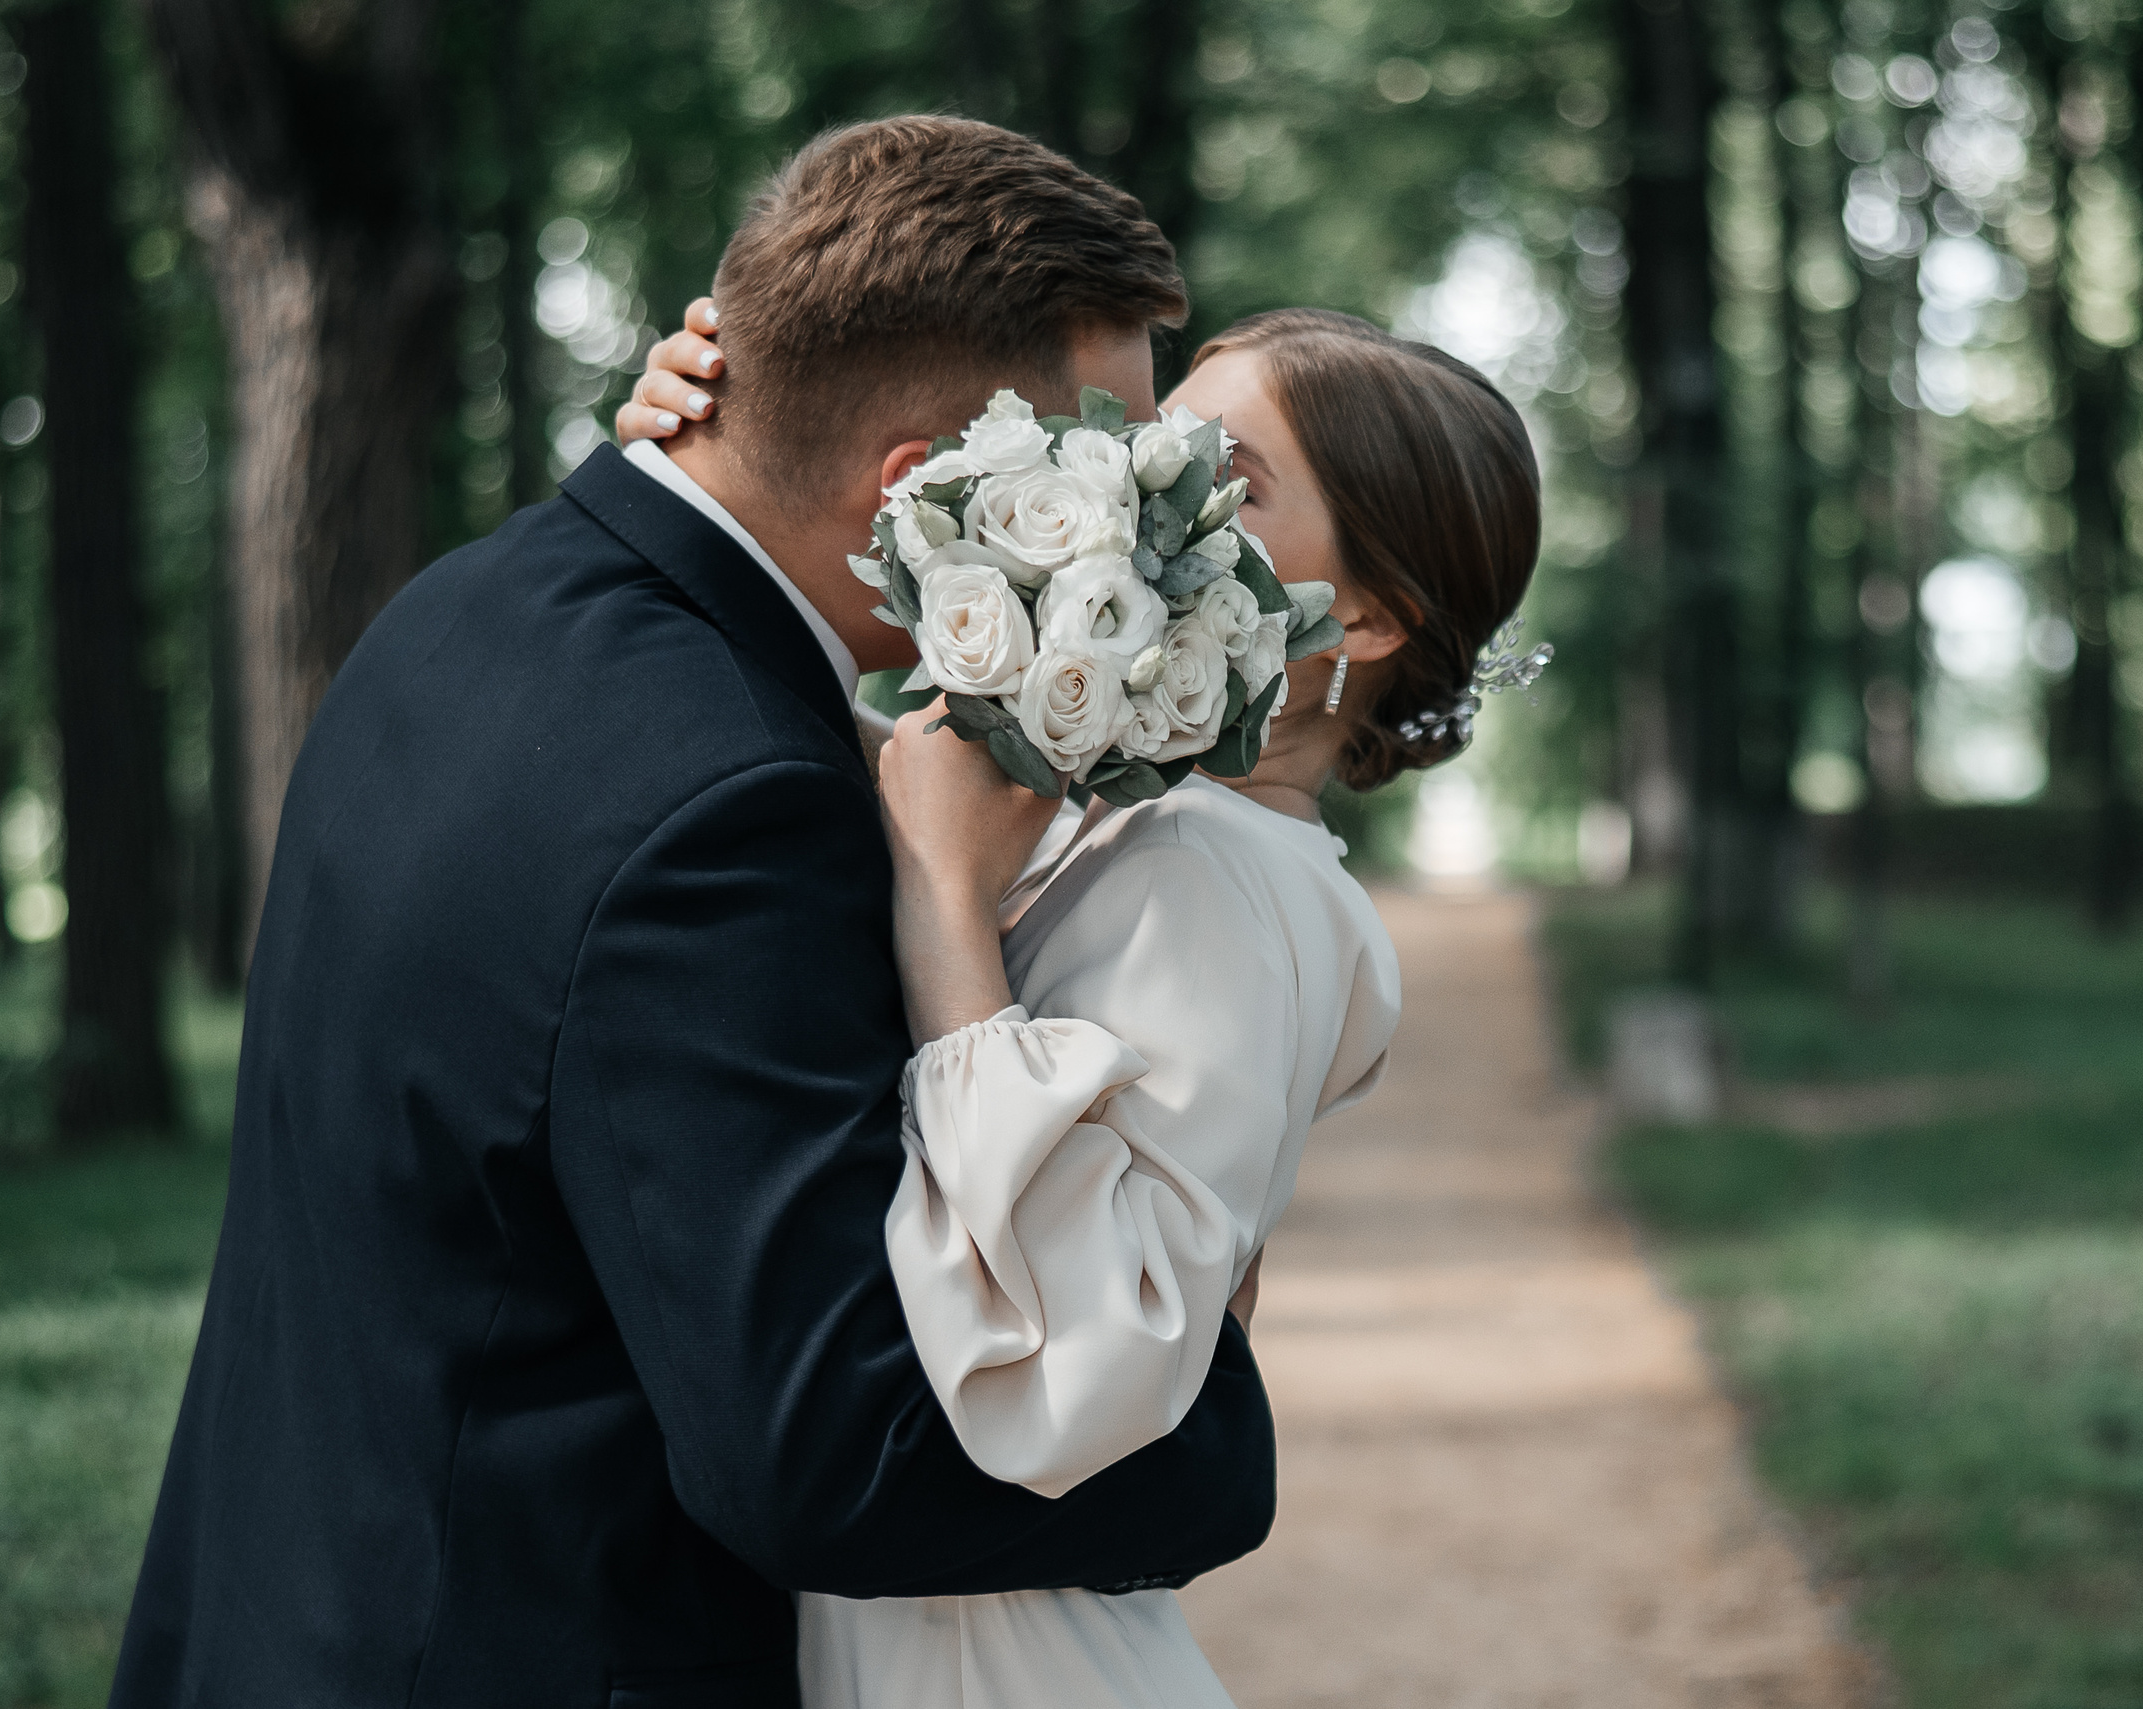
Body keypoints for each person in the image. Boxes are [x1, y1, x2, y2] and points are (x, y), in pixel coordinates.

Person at [107, 117, 1283, 1709]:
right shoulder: (728, 800)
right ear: (927, 491)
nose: (1136, 538)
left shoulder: (462, 609)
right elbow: (821, 1449)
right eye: (1108, 469)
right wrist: (1206, 1414)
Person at [618, 302, 1544, 1708]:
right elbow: (842, 784)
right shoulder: (1154, 832)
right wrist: (714, 469)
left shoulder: (1212, 872)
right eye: (1149, 443)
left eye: (1218, 473)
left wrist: (941, 907)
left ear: (1360, 612)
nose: (1133, 489)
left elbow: (1090, 1359)